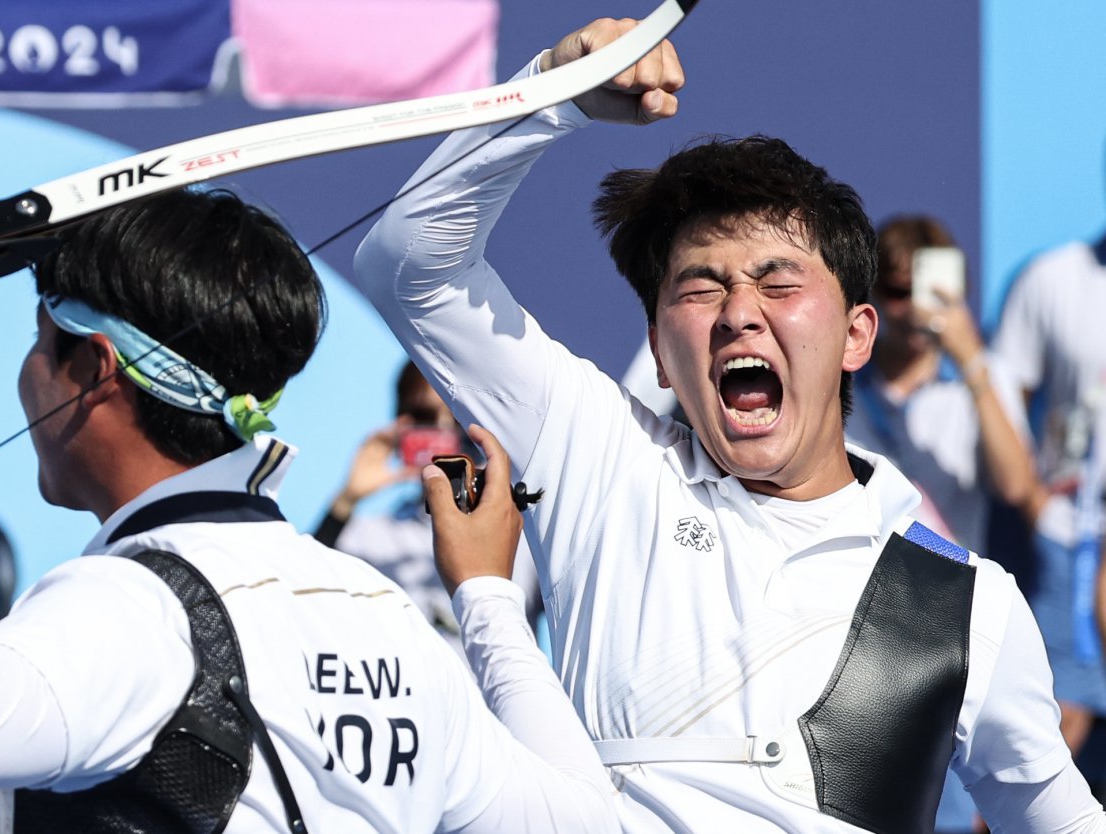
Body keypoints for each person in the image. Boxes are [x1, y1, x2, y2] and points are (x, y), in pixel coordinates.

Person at [353, 16, 1106, 833]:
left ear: (858, 333)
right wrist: (552, 94)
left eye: (778, 284)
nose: (739, 314)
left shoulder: (968, 604)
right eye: (700, 287)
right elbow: (409, 263)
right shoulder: (603, 464)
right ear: (658, 349)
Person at [0, 188, 620, 833]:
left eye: (38, 342)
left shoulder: (129, 605)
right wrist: (488, 593)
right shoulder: (383, 613)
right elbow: (581, 820)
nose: (27, 371)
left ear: (95, 369)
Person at [315, 360, 543, 657]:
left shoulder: (526, 531)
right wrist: (345, 502)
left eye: (461, 417)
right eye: (424, 416)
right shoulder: (367, 537)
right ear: (401, 425)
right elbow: (298, 601)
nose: (444, 430)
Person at [847, 215, 1044, 557]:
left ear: (960, 291)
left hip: (946, 584)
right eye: (898, 292)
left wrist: (970, 361)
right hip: (855, 576)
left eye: (931, 293)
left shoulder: (984, 376)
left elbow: (1015, 488)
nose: (914, 311)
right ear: (870, 293)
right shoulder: (840, 376)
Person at [992, 229, 1106, 762]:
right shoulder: (1053, 277)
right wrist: (1039, 501)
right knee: (1062, 727)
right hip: (1074, 540)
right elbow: (1004, 382)